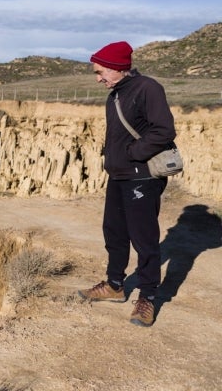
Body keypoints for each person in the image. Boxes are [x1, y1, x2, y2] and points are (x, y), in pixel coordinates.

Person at [78, 41, 177, 327]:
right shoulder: (116, 94)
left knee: (144, 238)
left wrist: (135, 154)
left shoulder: (148, 88)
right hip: (118, 176)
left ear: (116, 67)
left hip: (142, 177)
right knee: (114, 232)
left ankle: (147, 297)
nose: (98, 78)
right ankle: (114, 284)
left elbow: (164, 130)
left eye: (100, 72)